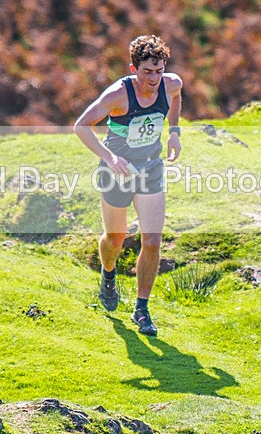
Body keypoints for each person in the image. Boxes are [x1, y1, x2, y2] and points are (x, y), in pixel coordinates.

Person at [74, 35, 182, 336]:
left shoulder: (171, 84)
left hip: (150, 168)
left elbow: (176, 98)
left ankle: (141, 308)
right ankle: (108, 276)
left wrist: (174, 132)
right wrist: (109, 158)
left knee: (152, 241)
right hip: (117, 172)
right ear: (133, 68)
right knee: (115, 239)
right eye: (147, 72)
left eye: (159, 71)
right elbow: (81, 126)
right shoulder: (117, 95)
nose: (154, 78)